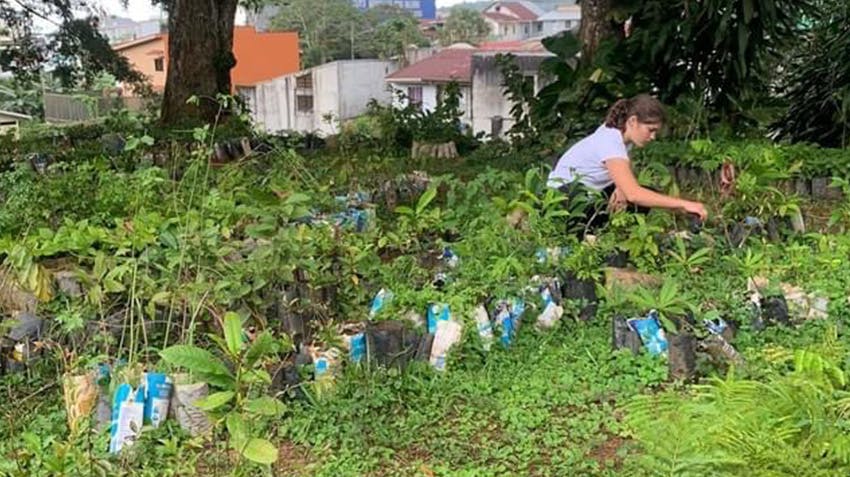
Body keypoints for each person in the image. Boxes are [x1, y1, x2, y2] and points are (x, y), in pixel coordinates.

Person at [547, 94, 707, 232]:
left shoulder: (618, 135)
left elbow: (622, 172)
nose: (653, 137)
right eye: (650, 130)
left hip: (583, 195)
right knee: (639, 198)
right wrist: (684, 205)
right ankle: (587, 239)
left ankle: (602, 239)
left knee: (639, 198)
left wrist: (619, 188)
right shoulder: (611, 141)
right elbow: (634, 193)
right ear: (632, 121)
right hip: (563, 199)